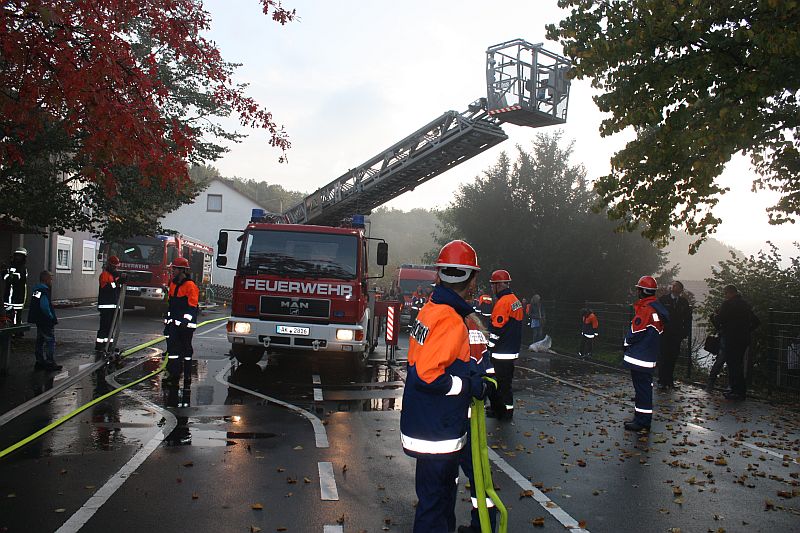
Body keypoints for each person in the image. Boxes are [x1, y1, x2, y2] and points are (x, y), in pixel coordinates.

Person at [400, 240, 493, 533]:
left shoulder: (431, 310)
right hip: (437, 429)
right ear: (473, 279)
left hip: (429, 424)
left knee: (438, 499)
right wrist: (466, 386)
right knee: (435, 504)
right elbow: (428, 375)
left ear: (439, 275)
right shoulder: (451, 320)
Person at [458, 312, 498, 533]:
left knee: (444, 476)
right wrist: (486, 387)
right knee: (479, 475)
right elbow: (488, 372)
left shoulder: (451, 326)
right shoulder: (475, 329)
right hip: (473, 416)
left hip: (453, 417)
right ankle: (484, 524)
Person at [623, 276, 668, 432]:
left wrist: (626, 342)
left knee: (642, 389)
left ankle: (641, 421)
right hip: (649, 355)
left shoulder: (646, 309)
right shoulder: (656, 309)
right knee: (644, 389)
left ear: (642, 291)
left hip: (640, 356)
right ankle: (642, 419)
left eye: (638, 289)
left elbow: (636, 331)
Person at [709, 285, 760, 400]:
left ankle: (735, 391)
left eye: (725, 294)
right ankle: (740, 390)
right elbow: (756, 322)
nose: (725, 296)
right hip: (744, 339)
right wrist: (747, 330)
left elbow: (719, 320)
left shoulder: (728, 304)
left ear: (729, 293)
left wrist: (715, 316)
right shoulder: (745, 305)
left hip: (731, 338)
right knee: (739, 364)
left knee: (733, 365)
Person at [486, 269, 523, 421]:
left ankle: (503, 412)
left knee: (499, 382)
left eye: (493, 285)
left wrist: (488, 346)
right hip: (511, 350)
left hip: (501, 351)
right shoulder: (515, 301)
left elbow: (497, 329)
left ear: (499, 285)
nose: (491, 288)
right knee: (505, 383)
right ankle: (503, 409)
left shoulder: (503, 303)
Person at [163, 257, 199, 383]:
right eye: (173, 268)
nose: (173, 271)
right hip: (173, 324)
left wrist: (185, 321)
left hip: (186, 326)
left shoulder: (190, 286)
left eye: (175, 268)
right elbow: (171, 304)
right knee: (173, 350)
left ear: (182, 270)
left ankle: (187, 375)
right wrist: (167, 321)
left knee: (186, 350)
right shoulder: (172, 284)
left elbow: (192, 307)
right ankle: (174, 374)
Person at [657, 280, 691, 390]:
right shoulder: (663, 300)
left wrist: (684, 332)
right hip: (664, 333)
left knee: (673, 357)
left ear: (680, 290)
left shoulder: (683, 302)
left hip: (676, 334)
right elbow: (657, 314)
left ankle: (669, 380)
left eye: (677, 287)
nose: (674, 288)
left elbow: (687, 318)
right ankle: (662, 380)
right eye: (674, 286)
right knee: (663, 356)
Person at [27, 270, 62, 371]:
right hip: (45, 320)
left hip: (39, 320)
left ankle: (39, 361)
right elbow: (44, 306)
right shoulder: (44, 291)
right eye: (50, 279)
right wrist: (50, 316)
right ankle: (50, 362)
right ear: (46, 279)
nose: (51, 281)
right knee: (50, 340)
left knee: (40, 340)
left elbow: (36, 304)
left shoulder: (37, 290)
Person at [95, 256, 124, 352]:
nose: (116, 268)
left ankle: (109, 345)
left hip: (114, 305)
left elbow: (117, 289)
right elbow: (106, 288)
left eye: (116, 267)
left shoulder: (114, 275)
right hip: (106, 305)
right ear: (110, 265)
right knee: (105, 326)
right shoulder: (104, 275)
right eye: (114, 266)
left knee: (111, 327)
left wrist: (120, 281)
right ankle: (100, 346)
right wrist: (116, 283)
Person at [2, 247, 28, 327]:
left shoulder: (23, 268)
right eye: (16, 256)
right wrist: (4, 271)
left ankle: (17, 332)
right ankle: (10, 330)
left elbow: (15, 278)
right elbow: (5, 278)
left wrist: (8, 274)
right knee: (7, 314)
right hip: (8, 295)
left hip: (18, 296)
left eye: (20, 256)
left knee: (16, 314)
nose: (17, 258)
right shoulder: (10, 267)